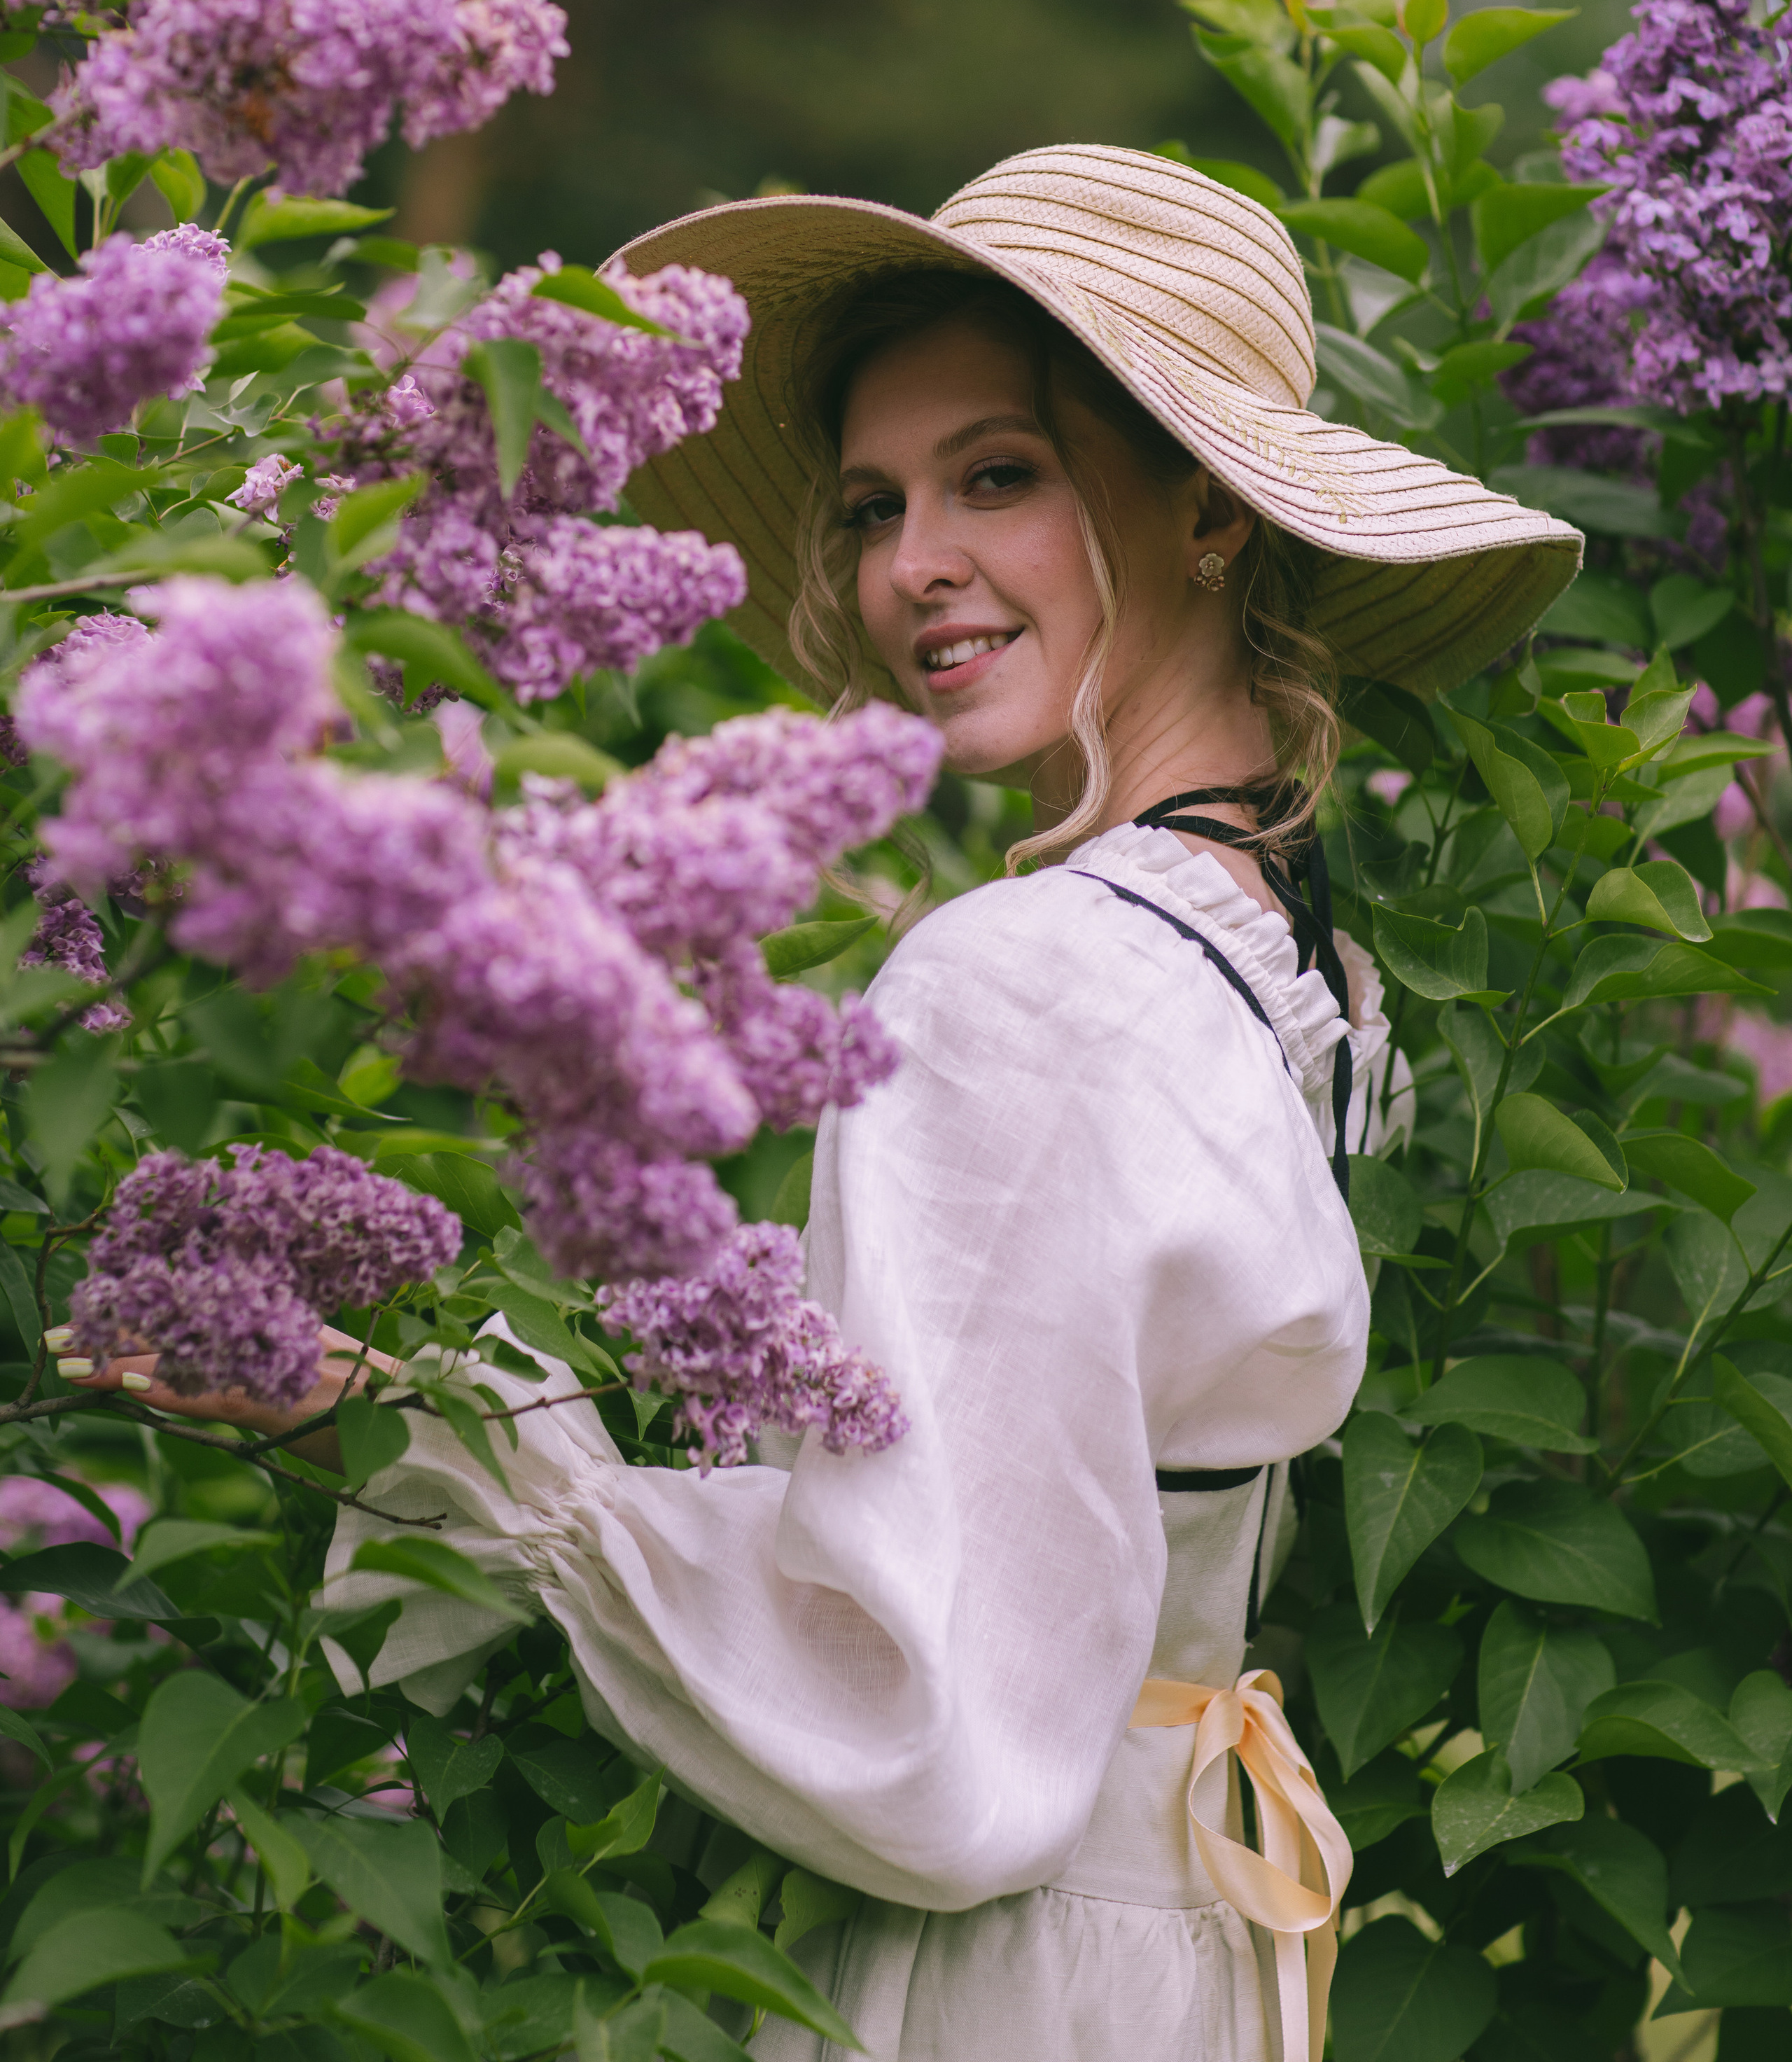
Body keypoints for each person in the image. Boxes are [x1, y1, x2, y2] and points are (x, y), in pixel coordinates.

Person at [85, 146, 1581, 2061]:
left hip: (1003, 1983)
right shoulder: (1290, 962)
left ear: (1208, 506)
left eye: (997, 476)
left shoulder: (1031, 983)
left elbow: (913, 1720)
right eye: (875, 504)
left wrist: (441, 1438)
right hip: (1176, 1942)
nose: (908, 568)